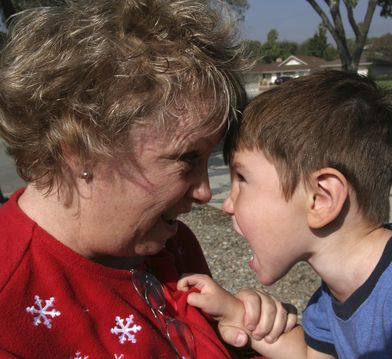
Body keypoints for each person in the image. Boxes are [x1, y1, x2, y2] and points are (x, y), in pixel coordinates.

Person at [0, 1, 297, 357]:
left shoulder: (171, 243)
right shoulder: (11, 296)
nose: (205, 192)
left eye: (207, 158)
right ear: (80, 147)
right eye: (187, 158)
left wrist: (252, 335)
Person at [178, 70, 392, 358]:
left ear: (320, 199)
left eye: (242, 179)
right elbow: (311, 354)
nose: (227, 204)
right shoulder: (330, 299)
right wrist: (236, 312)